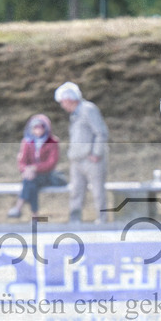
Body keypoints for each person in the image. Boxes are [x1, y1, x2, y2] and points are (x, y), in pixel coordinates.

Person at [54, 82, 109, 224]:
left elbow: (101, 133)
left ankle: (102, 219)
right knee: (76, 192)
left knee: (98, 191)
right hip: (77, 160)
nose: (62, 105)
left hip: (92, 160)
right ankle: (75, 219)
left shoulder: (88, 109)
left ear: (70, 98)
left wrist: (96, 153)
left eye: (63, 101)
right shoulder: (74, 114)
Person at [8, 114, 60, 219]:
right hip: (31, 176)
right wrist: (26, 170)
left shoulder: (53, 142)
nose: (38, 130)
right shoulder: (27, 142)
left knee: (30, 180)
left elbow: (51, 163)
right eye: (35, 127)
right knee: (31, 181)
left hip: (47, 175)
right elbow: (21, 161)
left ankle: (19, 207)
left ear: (46, 128)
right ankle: (34, 215)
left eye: (41, 127)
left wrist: (35, 168)